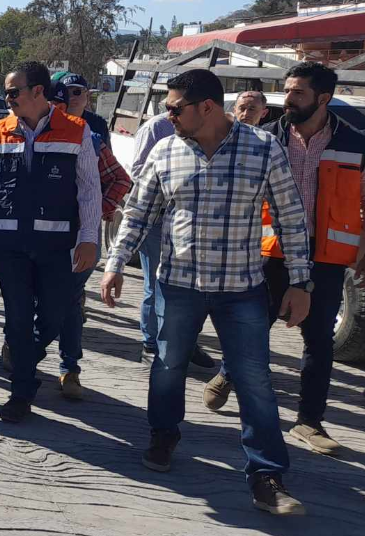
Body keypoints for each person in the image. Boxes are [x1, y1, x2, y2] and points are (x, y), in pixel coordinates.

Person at [101, 68, 311, 516]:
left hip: (242, 290)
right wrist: (115, 264)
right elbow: (138, 212)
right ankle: (164, 435)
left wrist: (300, 282)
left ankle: (267, 475)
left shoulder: (262, 148)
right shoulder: (165, 151)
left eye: (175, 108)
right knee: (168, 366)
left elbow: (292, 218)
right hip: (178, 286)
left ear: (207, 108)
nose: (168, 115)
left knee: (254, 380)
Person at [204, 62, 365, 457]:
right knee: (254, 323)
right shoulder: (267, 139)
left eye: (297, 93)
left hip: (326, 256)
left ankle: (309, 422)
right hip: (271, 251)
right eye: (288, 90)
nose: (288, 99)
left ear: (323, 99)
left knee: (319, 341)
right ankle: (230, 370)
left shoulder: (357, 143)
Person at [0, 61, 100, 422]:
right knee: (17, 317)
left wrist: (89, 239)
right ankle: (21, 391)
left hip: (57, 244)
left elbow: (89, 190)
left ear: (38, 91)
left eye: (13, 92)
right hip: (8, 244)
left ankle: (26, 356)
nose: (7, 98)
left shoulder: (77, 130)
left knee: (56, 316)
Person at [48, 75, 133, 399]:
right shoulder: (25, 131)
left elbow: (116, 179)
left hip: (79, 237)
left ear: (87, 96)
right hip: (37, 236)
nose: (69, 99)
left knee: (70, 303)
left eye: (75, 93)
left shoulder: (94, 133)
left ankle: (69, 369)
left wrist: (97, 210)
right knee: (34, 300)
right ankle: (18, 346)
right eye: (60, 95)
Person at [130, 111, 216, 370]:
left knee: (191, 289)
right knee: (157, 285)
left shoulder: (208, 127)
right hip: (158, 220)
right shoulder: (156, 128)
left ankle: (185, 343)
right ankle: (152, 345)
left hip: (193, 223)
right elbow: (138, 171)